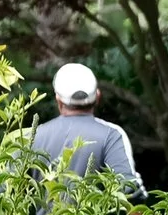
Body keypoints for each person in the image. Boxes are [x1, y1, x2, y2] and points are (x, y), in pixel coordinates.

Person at [32, 62, 145, 191]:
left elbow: (7, 190)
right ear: (97, 96)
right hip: (95, 212)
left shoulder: (33, 136)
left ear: (58, 100)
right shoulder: (111, 135)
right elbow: (129, 191)